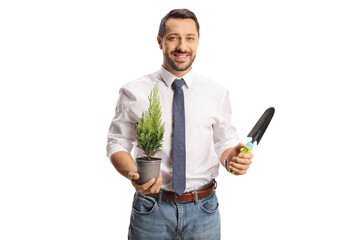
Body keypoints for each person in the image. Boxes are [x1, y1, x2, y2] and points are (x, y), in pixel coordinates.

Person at [106, 9, 253, 240]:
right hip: (151, 209)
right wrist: (133, 173)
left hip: (204, 209)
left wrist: (230, 158)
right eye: (173, 37)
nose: (182, 46)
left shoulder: (217, 93)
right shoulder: (134, 91)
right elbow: (117, 142)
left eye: (190, 38)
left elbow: (224, 142)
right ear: (160, 41)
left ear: (197, 42)